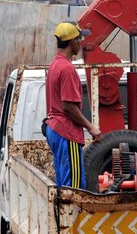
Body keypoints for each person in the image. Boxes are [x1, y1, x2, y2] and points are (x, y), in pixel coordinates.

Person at [44, 21, 102, 189]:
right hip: (66, 132)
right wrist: (91, 128)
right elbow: (68, 106)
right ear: (72, 42)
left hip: (54, 129)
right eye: (79, 39)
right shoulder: (67, 69)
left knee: (63, 183)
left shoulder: (55, 64)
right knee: (74, 187)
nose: (81, 42)